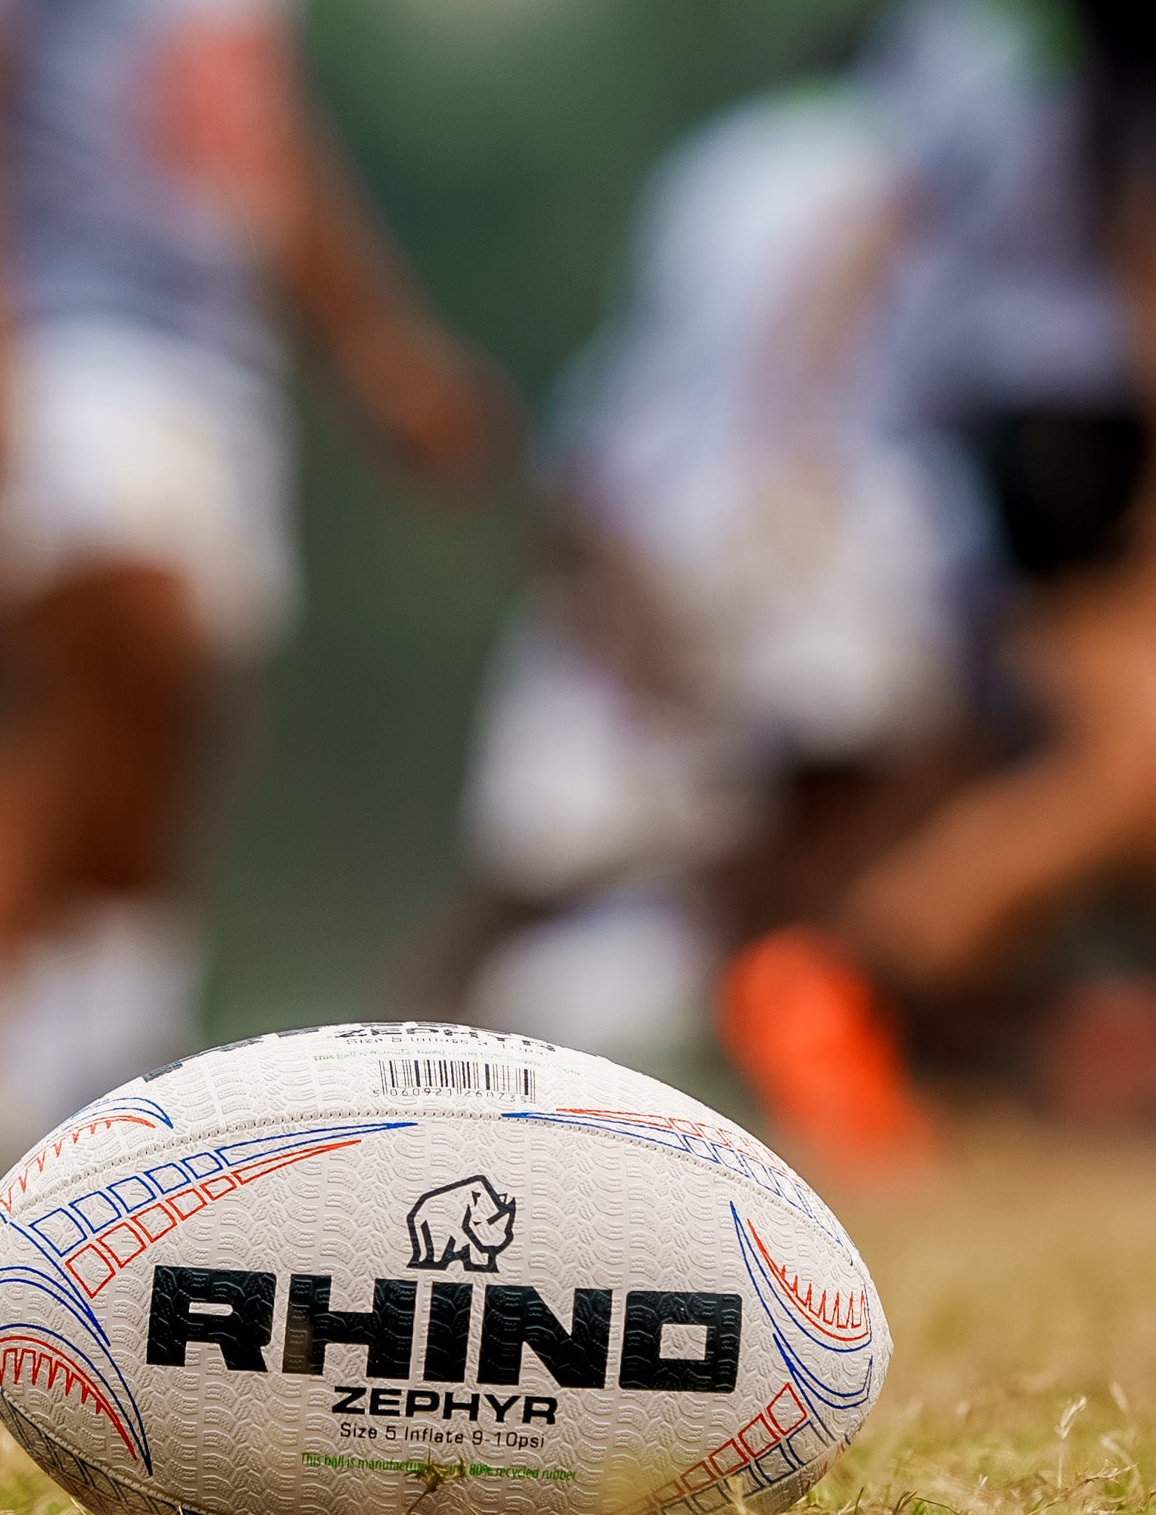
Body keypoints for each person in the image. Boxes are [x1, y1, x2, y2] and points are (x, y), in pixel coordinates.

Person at [0, 0, 514, 1167]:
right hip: (64, 338)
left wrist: (374, 349)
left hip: (214, 370)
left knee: (169, 734)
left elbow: (256, 129)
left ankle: (104, 1068)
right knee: (102, 672)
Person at [720, 0, 1156, 1178]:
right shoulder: (1139, 51)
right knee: (1139, 767)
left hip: (1003, 424)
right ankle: (846, 969)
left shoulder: (978, 20)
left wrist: (803, 426)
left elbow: (885, 229)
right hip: (1097, 433)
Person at [402, 83, 978, 1073]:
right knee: (789, 837)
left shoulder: (732, 155)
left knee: (568, 883)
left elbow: (590, 459)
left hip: (669, 516)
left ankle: (399, 1066)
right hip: (788, 518)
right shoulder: (900, 154)